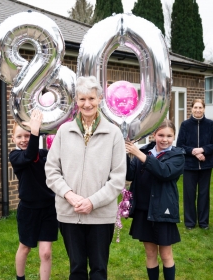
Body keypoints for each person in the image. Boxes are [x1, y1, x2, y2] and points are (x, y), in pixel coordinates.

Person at [45, 76, 126, 280]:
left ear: (99, 99)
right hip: (69, 213)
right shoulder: (64, 131)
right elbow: (51, 170)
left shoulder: (114, 133)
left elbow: (117, 179)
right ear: (76, 101)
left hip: (101, 215)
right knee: (77, 269)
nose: (87, 104)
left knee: (99, 270)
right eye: (82, 99)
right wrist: (69, 195)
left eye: (91, 98)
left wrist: (92, 202)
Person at [125, 119, 185, 280]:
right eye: (161, 135)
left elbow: (164, 172)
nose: (164, 139)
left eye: (169, 136)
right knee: (150, 253)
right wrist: (123, 154)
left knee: (165, 254)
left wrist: (138, 153)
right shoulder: (145, 151)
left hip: (163, 211)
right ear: (154, 135)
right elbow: (130, 175)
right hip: (144, 211)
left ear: (174, 137)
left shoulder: (178, 155)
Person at [9, 109, 58, 280]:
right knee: (25, 247)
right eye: (19, 137)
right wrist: (35, 131)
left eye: (27, 136)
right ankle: (20, 278)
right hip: (28, 210)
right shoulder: (15, 156)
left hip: (48, 209)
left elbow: (57, 158)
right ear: (13, 139)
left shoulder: (44, 155)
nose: (23, 140)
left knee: (45, 253)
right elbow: (29, 156)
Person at [176, 98, 213, 230]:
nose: (198, 110)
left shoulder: (210, 124)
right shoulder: (185, 125)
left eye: (200, 107)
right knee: (189, 194)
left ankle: (203, 223)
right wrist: (193, 151)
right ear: (191, 109)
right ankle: (190, 223)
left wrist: (203, 150)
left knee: (204, 194)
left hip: (206, 165)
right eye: (195, 107)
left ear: (204, 109)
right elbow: (180, 146)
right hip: (189, 166)